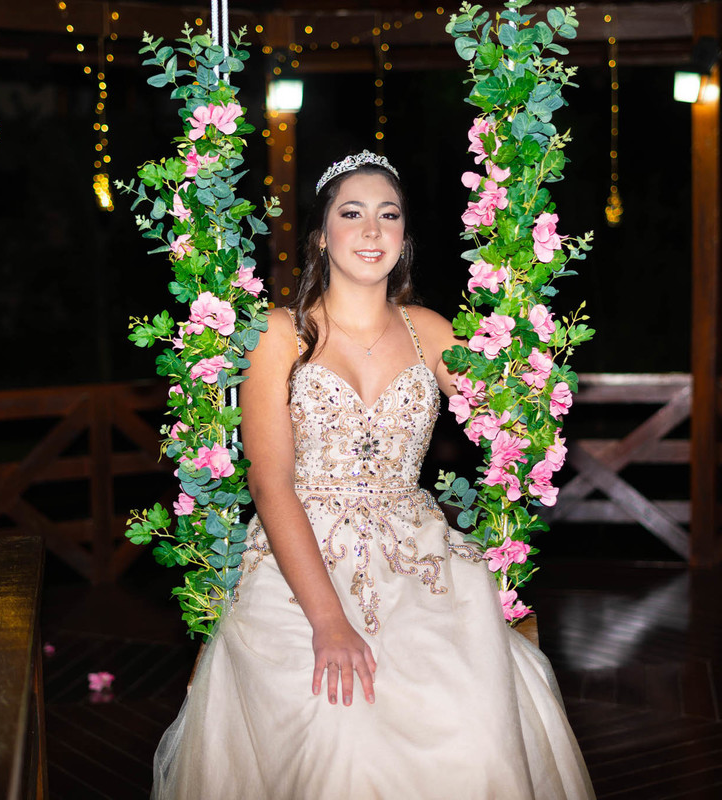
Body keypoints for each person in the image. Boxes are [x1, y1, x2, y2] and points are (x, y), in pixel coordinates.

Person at [152, 151, 594, 799]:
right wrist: (330, 623)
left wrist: (526, 348)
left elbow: (506, 424)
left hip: (418, 559)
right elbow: (270, 485)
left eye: (389, 215)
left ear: (404, 237)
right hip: (302, 557)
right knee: (342, 733)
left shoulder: (429, 332)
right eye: (351, 213)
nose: (371, 230)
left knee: (474, 725)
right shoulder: (278, 334)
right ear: (320, 236)